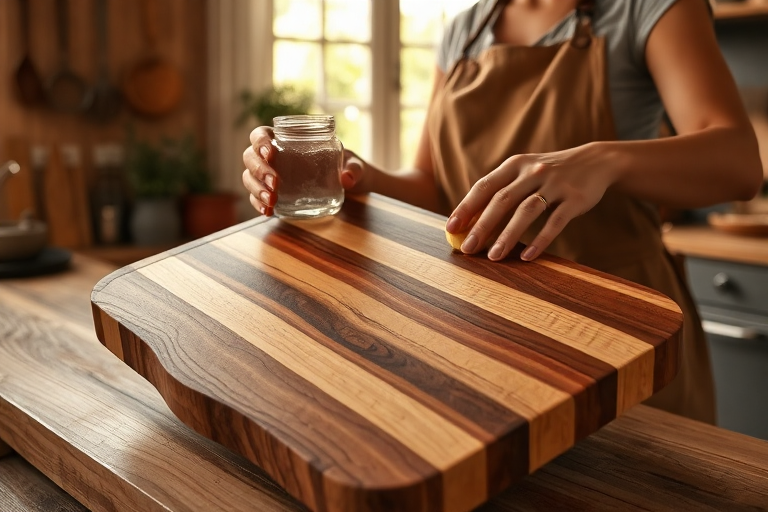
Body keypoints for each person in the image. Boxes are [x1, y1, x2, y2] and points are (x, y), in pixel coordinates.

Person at [242, 0, 763, 424]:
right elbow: (438, 189)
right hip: (484, 327)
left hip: (619, 321)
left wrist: (603, 159)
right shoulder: (465, 30)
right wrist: (357, 174)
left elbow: (740, 163)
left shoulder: (647, 8)